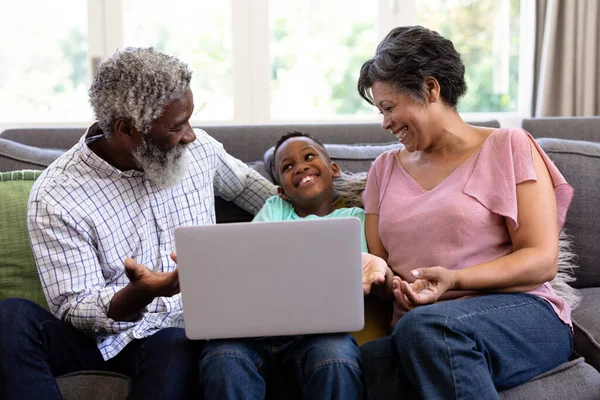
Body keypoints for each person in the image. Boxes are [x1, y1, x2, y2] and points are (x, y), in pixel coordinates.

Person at [0, 47, 276, 400]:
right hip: (100, 341)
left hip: (177, 336)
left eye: (190, 120)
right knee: (10, 317)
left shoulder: (201, 151)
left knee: (172, 344)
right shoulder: (57, 193)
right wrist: (140, 294)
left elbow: (269, 200)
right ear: (128, 129)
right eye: (177, 127)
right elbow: (74, 307)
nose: (191, 135)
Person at [357, 26, 575, 398]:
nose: (385, 122)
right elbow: (384, 267)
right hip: (422, 327)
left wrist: (455, 280)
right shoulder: (383, 170)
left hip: (521, 315)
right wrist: (389, 282)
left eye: (390, 108)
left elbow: (542, 261)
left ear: (430, 89)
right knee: (371, 358)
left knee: (428, 329)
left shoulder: (509, 146)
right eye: (380, 111)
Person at [198, 131, 388, 400]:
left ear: (334, 169)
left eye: (309, 156)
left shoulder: (355, 218)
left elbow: (365, 274)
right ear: (282, 191)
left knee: (335, 359)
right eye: (287, 167)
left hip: (322, 334)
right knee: (224, 357)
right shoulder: (274, 209)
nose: (300, 166)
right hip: (253, 335)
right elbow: (250, 261)